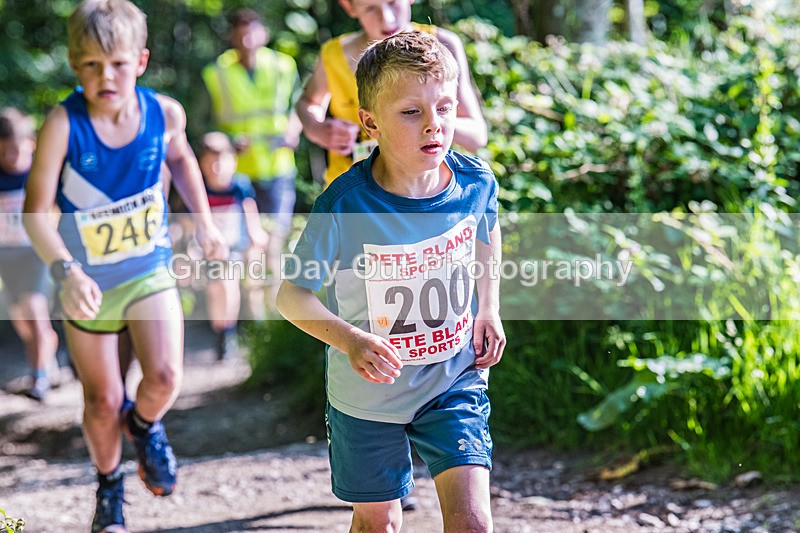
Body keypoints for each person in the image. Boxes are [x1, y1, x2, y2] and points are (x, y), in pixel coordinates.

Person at [276, 31, 505, 531]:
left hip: (454, 375)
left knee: (473, 522)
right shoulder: (345, 203)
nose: (434, 125)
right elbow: (291, 297)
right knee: (380, 524)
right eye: (411, 112)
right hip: (368, 392)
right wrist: (353, 341)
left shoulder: (474, 181)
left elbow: (486, 231)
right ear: (370, 122)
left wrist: (488, 307)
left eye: (444, 107)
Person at [22, 1, 227, 532]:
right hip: (87, 281)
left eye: (115, 63)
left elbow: (179, 156)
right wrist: (67, 272)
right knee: (101, 398)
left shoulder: (164, 113)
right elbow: (35, 213)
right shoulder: (64, 124)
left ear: (140, 60)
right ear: (74, 64)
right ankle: (109, 487)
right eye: (90, 65)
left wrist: (203, 219)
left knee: (164, 376)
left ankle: (145, 425)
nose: (104, 75)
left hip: (146, 268)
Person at [297, 0, 488, 187]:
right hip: (349, 196)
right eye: (370, 8)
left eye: (394, 2)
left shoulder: (441, 46)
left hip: (422, 195)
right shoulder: (333, 54)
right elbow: (307, 102)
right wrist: (318, 129)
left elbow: (477, 136)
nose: (387, 19)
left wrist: (427, 119)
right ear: (349, 5)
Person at [201, 8, 303, 315]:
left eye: (252, 31)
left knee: (272, 244)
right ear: (231, 36)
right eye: (240, 32)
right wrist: (228, 143)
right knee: (243, 250)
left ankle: (271, 318)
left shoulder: (284, 66)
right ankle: (248, 318)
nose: (246, 39)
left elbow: (301, 107)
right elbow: (201, 124)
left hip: (278, 170)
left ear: (263, 33)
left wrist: (294, 131)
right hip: (237, 180)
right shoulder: (216, 72)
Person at [0, 107, 60, 401]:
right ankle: (48, 352)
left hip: (34, 252)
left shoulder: (41, 173)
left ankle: (40, 377)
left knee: (35, 309)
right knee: (21, 320)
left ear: (31, 144)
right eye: (4, 151)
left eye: (16, 150)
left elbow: (60, 208)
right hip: (5, 255)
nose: (11, 157)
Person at [198, 131, 269, 359]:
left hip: (234, 247)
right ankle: (222, 331)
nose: (217, 167)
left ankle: (230, 334)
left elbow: (250, 214)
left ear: (233, 161)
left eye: (222, 160)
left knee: (229, 285)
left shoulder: (239, 185)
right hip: (208, 251)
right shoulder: (199, 189)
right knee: (216, 289)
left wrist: (255, 236)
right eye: (211, 161)